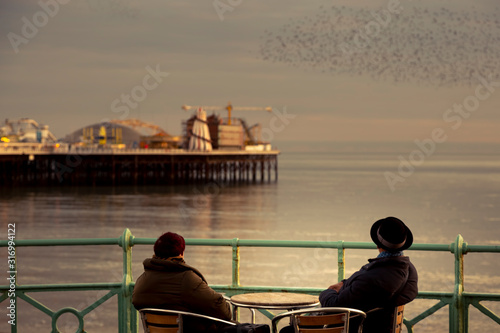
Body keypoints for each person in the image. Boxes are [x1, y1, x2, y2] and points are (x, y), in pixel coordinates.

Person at [319, 217, 418, 333]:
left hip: (355, 327)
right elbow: (362, 288)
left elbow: (333, 306)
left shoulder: (374, 279)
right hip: (381, 325)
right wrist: (343, 283)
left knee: (297, 325)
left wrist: (328, 292)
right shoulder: (407, 269)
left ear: (378, 244)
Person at [132, 231, 232, 333]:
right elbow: (224, 312)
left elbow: (136, 302)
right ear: (181, 254)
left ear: (155, 253)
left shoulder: (143, 280)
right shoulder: (187, 279)